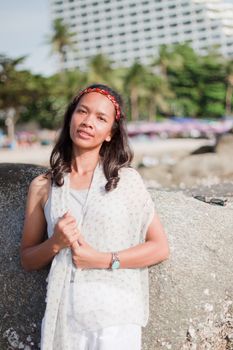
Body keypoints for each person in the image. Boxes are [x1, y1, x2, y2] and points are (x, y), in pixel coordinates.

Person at [20, 83, 170, 350]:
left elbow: (159, 247)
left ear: (111, 133)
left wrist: (101, 259)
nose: (88, 122)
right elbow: (28, 259)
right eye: (83, 112)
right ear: (71, 117)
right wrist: (56, 242)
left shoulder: (126, 181)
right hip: (64, 318)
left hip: (116, 318)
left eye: (101, 118)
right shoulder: (43, 186)